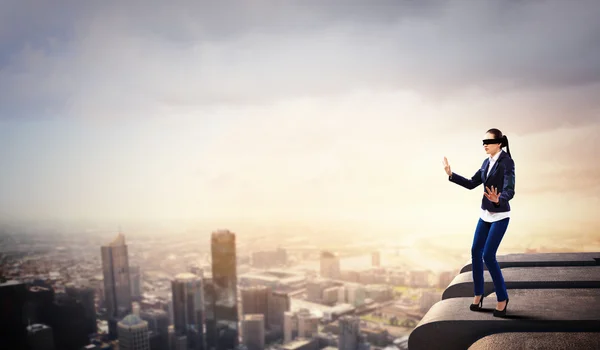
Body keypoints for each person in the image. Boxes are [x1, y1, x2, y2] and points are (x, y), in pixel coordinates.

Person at [442, 128, 515, 317]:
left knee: (489, 255)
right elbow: (471, 183)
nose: (484, 144)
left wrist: (499, 199)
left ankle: (502, 298)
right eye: (483, 141)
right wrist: (452, 174)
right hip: (485, 215)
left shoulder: (507, 162)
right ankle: (478, 294)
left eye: (488, 141)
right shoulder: (486, 162)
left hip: (499, 216)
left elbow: (510, 189)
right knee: (475, 251)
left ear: (499, 143)